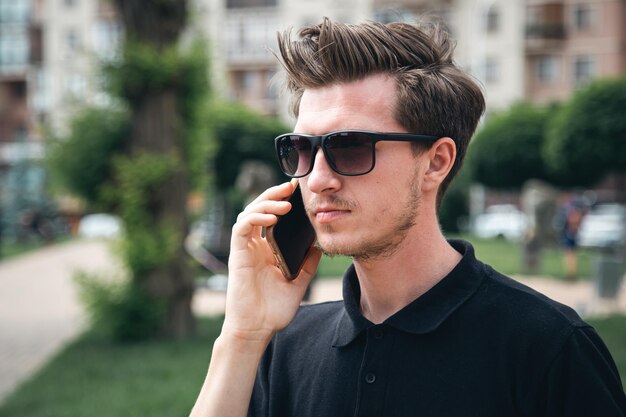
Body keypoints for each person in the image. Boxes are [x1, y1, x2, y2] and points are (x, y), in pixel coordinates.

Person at [190, 18, 626, 417]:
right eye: (301, 150)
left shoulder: (548, 348)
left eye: (349, 147)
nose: (317, 179)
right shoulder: (284, 347)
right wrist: (242, 337)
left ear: (435, 162)